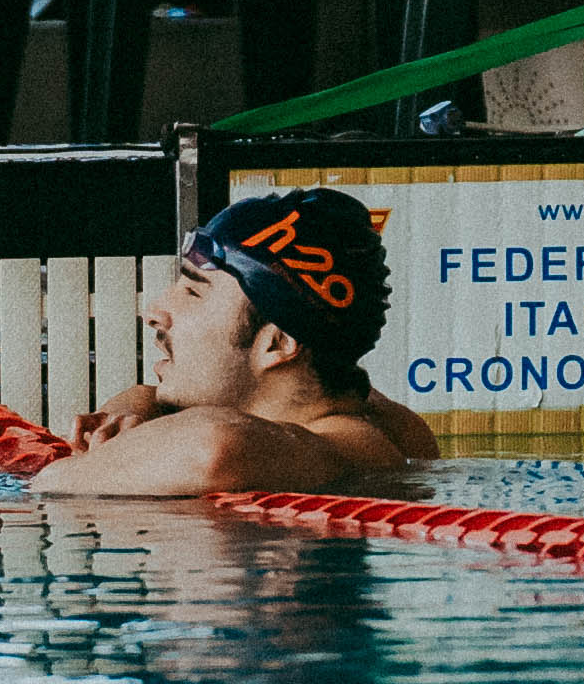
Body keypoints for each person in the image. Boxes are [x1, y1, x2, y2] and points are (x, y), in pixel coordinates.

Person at [30, 187, 438, 497]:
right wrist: (135, 405)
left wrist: (50, 480)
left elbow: (217, 446)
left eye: (193, 293)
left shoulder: (353, 451)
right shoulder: (357, 410)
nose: (154, 311)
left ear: (277, 344)